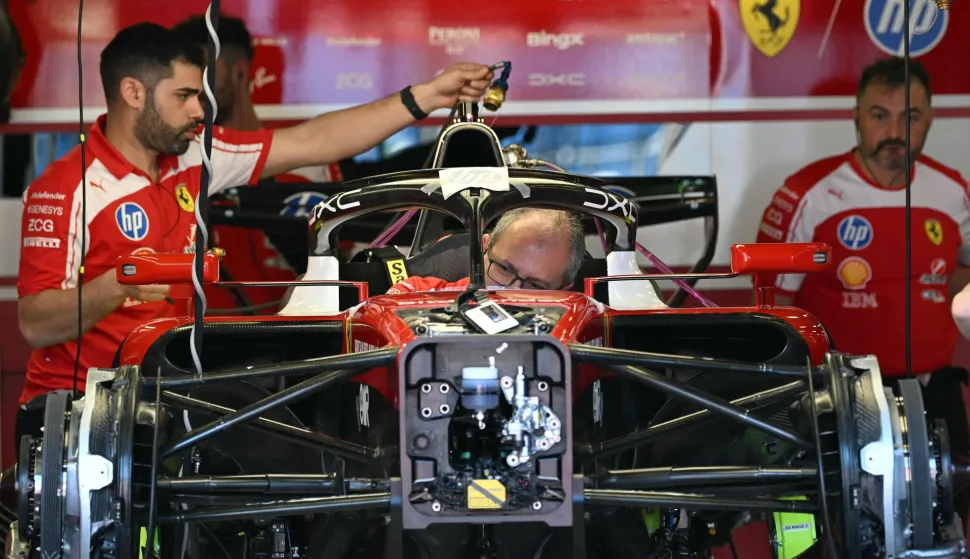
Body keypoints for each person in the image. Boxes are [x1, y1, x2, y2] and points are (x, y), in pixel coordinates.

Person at [14, 21, 493, 448]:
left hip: (162, 394)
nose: (200, 111)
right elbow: (35, 324)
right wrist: (118, 284)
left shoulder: (194, 155)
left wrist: (426, 97)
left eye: (200, 95)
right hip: (73, 413)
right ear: (133, 93)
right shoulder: (66, 188)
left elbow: (310, 142)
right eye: (183, 96)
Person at [755, 57, 970, 512]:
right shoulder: (807, 194)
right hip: (843, 398)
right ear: (856, 117)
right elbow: (774, 313)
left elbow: (962, 271)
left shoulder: (952, 191)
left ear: (930, 119)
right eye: (879, 115)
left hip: (935, 396)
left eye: (909, 116)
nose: (895, 130)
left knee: (948, 520)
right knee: (848, 526)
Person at [386, 208, 586, 294]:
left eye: (535, 285)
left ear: (564, 291)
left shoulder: (579, 326)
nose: (512, 291)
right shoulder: (413, 294)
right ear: (484, 246)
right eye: (504, 269)